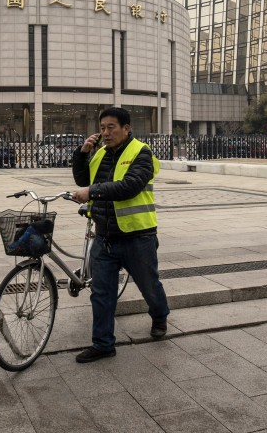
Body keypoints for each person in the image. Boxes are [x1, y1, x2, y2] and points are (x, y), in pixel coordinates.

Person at [70, 107, 169, 363]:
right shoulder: (100, 153)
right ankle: (103, 344)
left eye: (111, 127)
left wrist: (92, 192)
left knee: (149, 286)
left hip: (138, 236)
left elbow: (130, 186)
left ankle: (159, 316)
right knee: (101, 292)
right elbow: (84, 179)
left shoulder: (142, 153)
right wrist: (82, 154)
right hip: (104, 236)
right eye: (102, 128)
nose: (106, 133)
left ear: (127, 128)